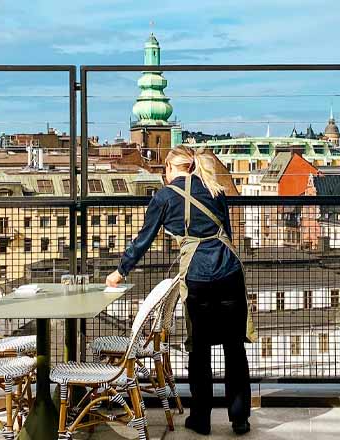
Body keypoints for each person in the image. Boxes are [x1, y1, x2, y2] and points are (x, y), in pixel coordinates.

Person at [106, 146, 256, 436]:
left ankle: (201, 420)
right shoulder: (214, 188)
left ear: (168, 170)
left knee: (199, 350)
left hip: (198, 275)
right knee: (234, 347)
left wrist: (120, 270)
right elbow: (227, 231)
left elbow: (144, 239)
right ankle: (239, 419)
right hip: (229, 270)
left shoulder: (164, 197)